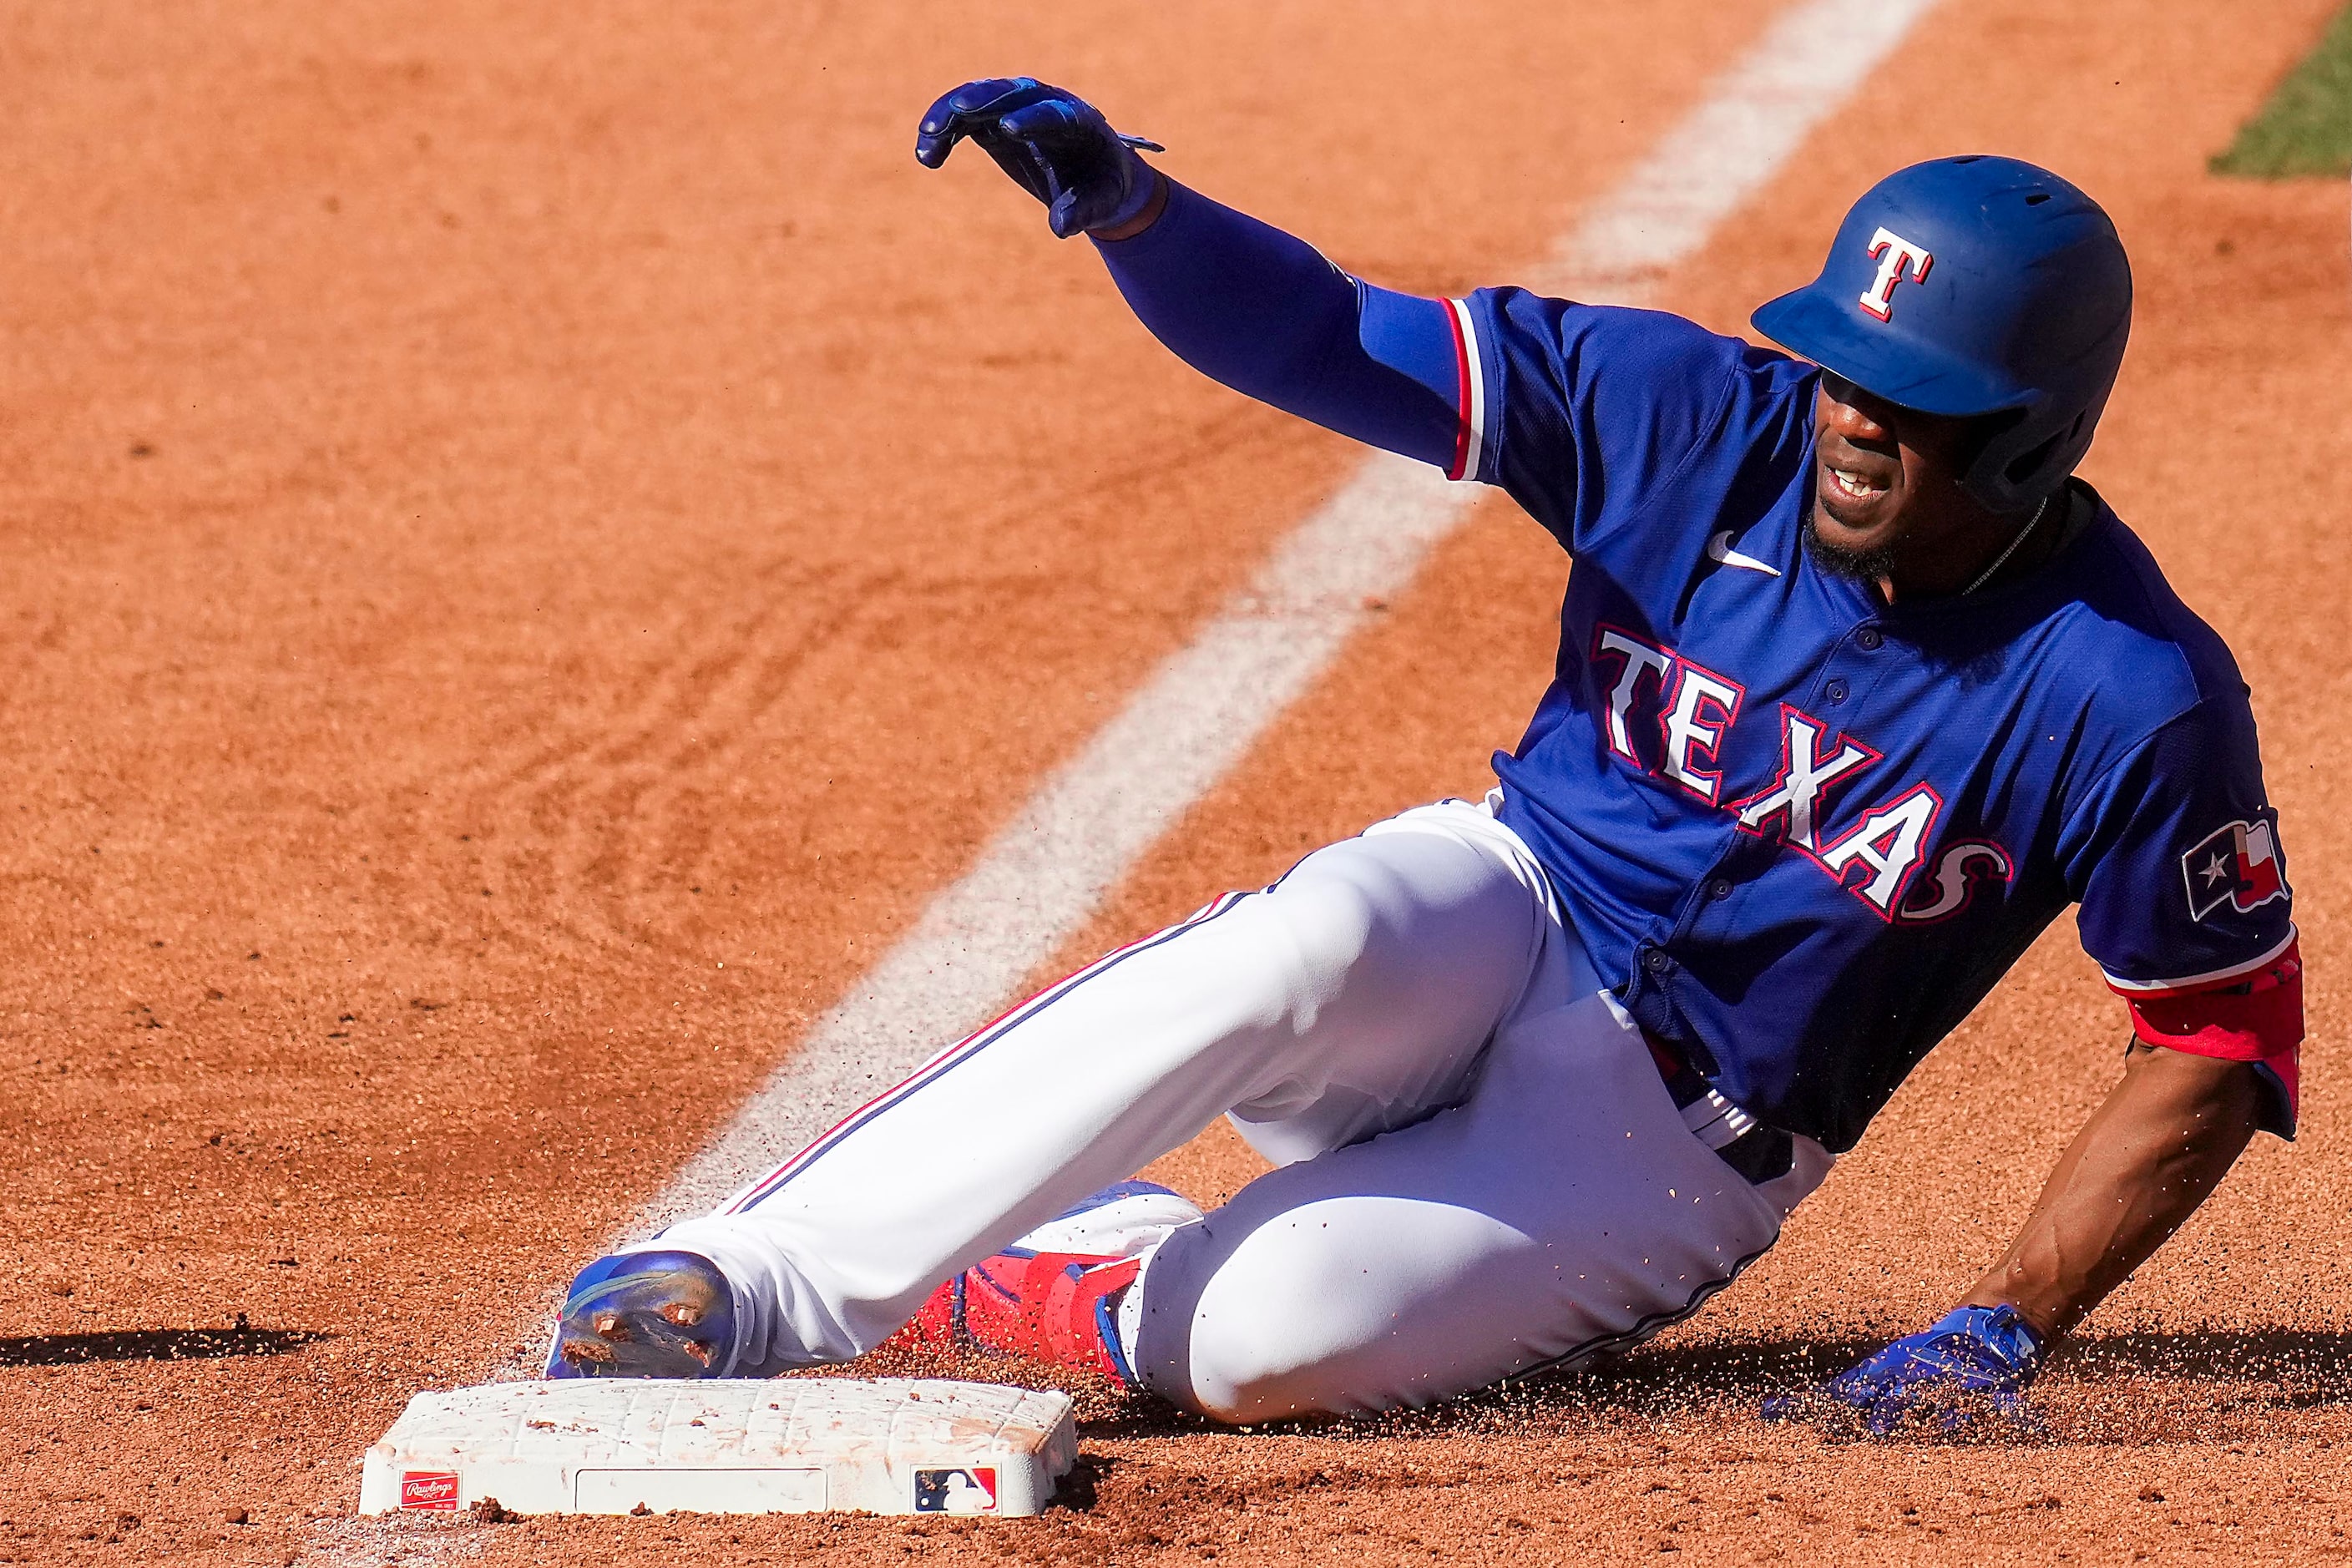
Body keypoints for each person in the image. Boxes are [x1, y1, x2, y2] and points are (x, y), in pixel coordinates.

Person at [541, 79, 2302, 1434]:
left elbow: (2211, 1037)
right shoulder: (1692, 419)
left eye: (1906, 405)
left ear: (2025, 438)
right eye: (1840, 370)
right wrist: (1142, 213)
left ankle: (1068, 1274)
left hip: (1676, 1144)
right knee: (1306, 946)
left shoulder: (2124, 692)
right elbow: (1327, 338)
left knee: (1262, 1348)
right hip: (1500, 909)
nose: (1847, 419)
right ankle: (743, 1275)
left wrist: (2006, 1317)